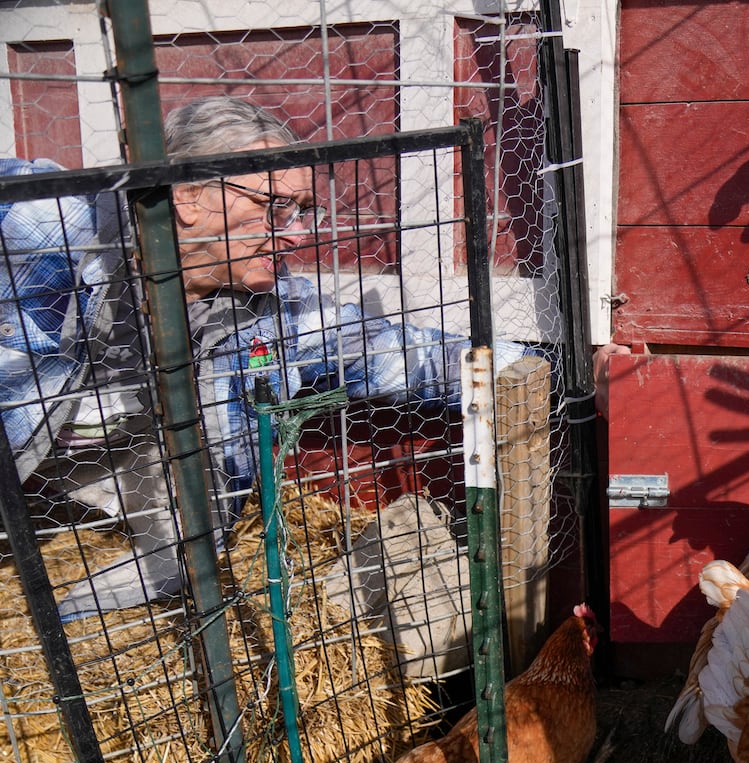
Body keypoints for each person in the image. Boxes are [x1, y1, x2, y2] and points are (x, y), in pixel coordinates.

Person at [0, 96, 534, 619]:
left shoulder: (272, 315)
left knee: (187, 554)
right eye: (275, 206)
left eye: (304, 210)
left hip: (108, 458)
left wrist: (531, 366)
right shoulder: (47, 222)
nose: (297, 234)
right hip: (25, 441)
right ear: (187, 197)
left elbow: (407, 354)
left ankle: (66, 621)